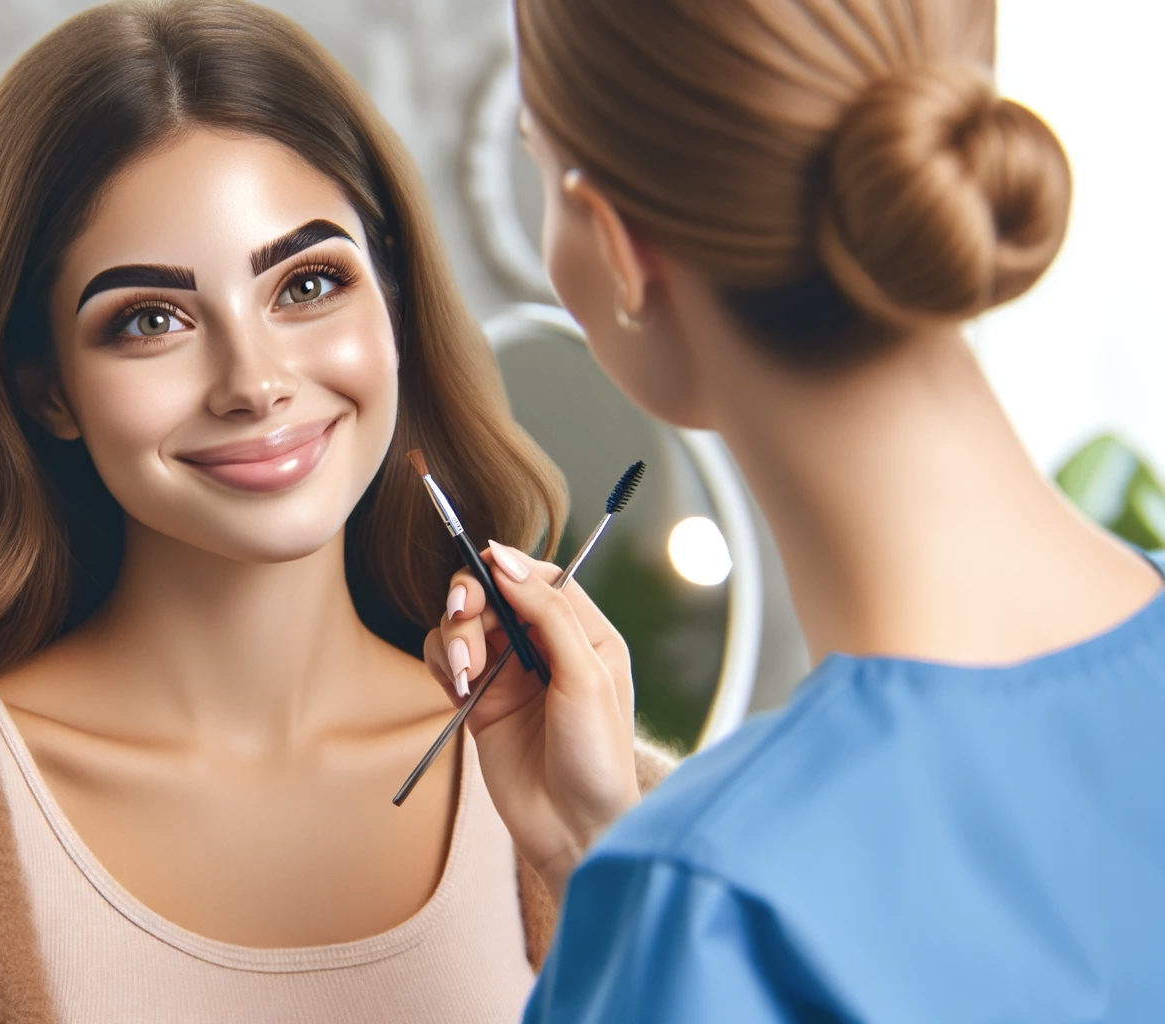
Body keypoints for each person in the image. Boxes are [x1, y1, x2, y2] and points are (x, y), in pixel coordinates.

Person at [0, 2, 675, 1021]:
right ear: (45, 387)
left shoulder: (612, 799)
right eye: (150, 319)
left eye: (307, 283)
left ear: (390, 293)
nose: (253, 383)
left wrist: (598, 864)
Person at [427, 0, 1165, 1019]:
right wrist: (602, 852)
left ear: (616, 245)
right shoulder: (710, 908)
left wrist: (647, 908)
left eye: (539, 165)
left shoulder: (715, 920)